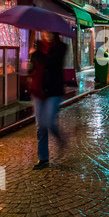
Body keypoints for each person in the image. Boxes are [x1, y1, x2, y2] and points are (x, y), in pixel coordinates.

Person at [29, 31, 68, 170]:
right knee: (41, 126)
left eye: (50, 32)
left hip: (53, 91)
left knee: (48, 122)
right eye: (45, 32)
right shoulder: (38, 48)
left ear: (55, 33)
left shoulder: (61, 47)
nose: (47, 34)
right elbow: (33, 68)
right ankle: (43, 158)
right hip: (38, 90)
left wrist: (36, 54)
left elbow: (52, 62)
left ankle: (60, 138)